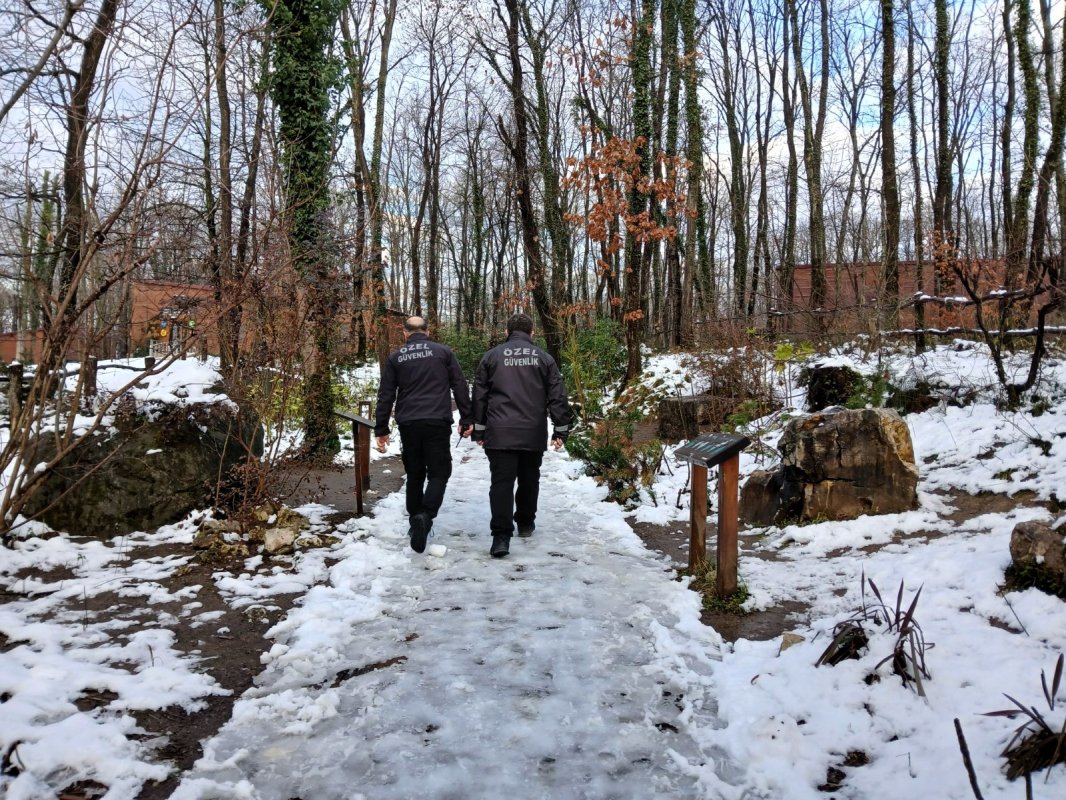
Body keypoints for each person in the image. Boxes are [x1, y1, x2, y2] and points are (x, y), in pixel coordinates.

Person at [471, 313, 571, 557]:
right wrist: (561, 428)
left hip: (500, 431)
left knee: (501, 483)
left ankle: (501, 537)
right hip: (532, 431)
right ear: (532, 332)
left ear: (507, 332)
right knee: (529, 479)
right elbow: (557, 395)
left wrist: (479, 428)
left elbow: (480, 395)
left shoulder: (491, 357)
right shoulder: (544, 359)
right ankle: (525, 523)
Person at [375, 316, 473, 553]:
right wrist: (467, 418)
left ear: (405, 333)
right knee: (440, 471)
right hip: (437, 420)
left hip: (409, 422)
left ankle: (414, 522)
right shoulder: (443, 353)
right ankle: (426, 516)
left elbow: (386, 393)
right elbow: (459, 384)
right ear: (427, 332)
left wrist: (381, 429)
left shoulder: (396, 357)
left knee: (415, 473)